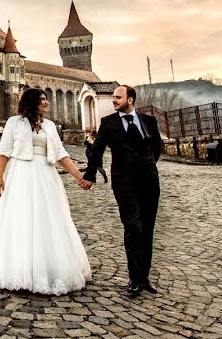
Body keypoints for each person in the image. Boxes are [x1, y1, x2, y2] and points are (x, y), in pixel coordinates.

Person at [0, 88, 91, 294]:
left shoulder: (50, 126)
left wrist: (79, 176)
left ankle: (49, 264)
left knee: (48, 218)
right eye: (42, 99)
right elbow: (4, 151)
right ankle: (17, 264)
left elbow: (61, 154)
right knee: (19, 217)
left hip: (45, 175)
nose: (46, 103)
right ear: (32, 102)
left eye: (46, 99)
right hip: (20, 174)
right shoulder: (14, 123)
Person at [79, 85, 162, 296]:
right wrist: (89, 175)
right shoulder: (109, 123)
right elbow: (96, 151)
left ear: (130, 100)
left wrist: (147, 165)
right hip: (124, 183)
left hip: (149, 182)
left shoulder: (149, 121)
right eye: (113, 97)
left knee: (147, 229)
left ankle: (144, 277)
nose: (114, 100)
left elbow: (156, 148)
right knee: (133, 227)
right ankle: (134, 278)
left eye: (118, 97)